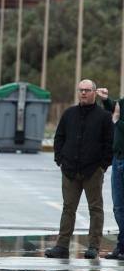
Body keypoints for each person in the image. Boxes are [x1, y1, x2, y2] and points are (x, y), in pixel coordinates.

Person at [45, 79, 113, 259]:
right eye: (81, 90)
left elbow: (109, 143)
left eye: (87, 90)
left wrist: (102, 166)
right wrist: (59, 159)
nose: (83, 93)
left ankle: (93, 247)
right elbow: (59, 138)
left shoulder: (103, 116)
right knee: (68, 208)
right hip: (69, 170)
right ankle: (61, 246)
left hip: (93, 171)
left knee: (95, 208)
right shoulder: (69, 114)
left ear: (94, 92)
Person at [100, 89, 124, 260]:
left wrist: (117, 121)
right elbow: (115, 107)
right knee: (118, 207)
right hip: (118, 160)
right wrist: (106, 100)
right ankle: (122, 246)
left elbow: (117, 117)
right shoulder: (122, 103)